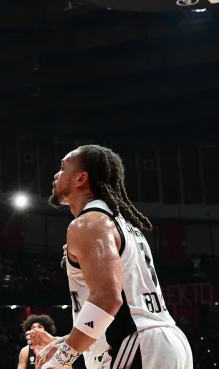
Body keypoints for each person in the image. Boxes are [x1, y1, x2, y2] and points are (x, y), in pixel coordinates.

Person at [31, 145, 193, 369]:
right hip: (157, 341)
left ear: (81, 179)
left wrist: (60, 360)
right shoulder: (117, 223)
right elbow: (119, 309)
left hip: (135, 343)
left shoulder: (89, 223)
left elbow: (107, 299)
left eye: (62, 168)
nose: (56, 175)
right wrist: (65, 341)